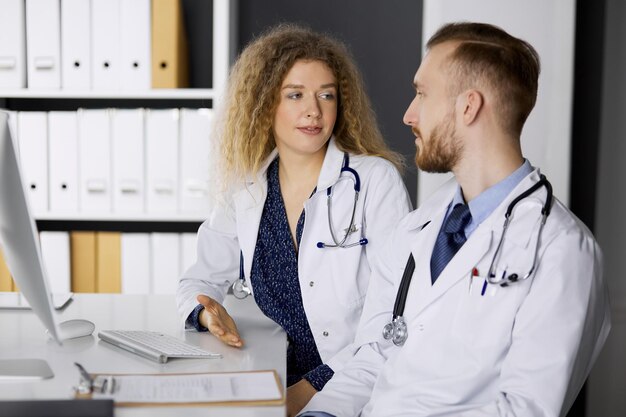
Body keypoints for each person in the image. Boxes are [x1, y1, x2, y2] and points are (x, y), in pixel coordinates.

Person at [299, 22, 611, 417]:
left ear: (469, 106)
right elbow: (372, 356)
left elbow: (525, 409)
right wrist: (321, 412)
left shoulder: (562, 250)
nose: (408, 115)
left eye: (422, 94)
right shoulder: (418, 228)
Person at [175, 24, 412, 414]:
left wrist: (307, 392)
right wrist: (206, 314)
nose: (313, 111)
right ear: (265, 102)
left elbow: (393, 317)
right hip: (268, 375)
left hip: (351, 383)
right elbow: (199, 279)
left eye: (326, 95)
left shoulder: (373, 181)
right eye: (295, 94)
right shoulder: (247, 188)